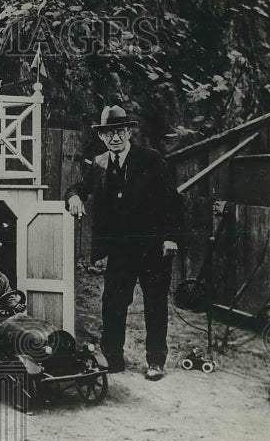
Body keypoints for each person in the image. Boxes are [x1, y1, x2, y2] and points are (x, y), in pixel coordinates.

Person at [65, 105, 184, 381]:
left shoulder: (151, 160)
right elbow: (80, 188)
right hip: (120, 250)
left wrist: (170, 237)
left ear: (129, 132)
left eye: (119, 131)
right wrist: (73, 197)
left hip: (152, 247)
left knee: (155, 303)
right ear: (102, 137)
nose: (115, 138)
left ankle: (156, 361)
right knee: (113, 302)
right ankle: (113, 358)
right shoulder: (99, 164)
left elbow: (173, 201)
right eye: (109, 133)